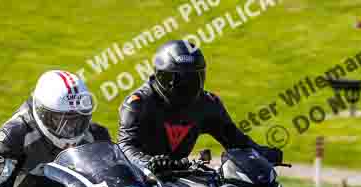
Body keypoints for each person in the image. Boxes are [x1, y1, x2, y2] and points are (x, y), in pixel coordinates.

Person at [118, 40, 282, 172]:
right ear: (160, 75)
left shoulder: (207, 104)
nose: (185, 86)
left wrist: (261, 154)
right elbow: (125, 147)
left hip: (181, 175)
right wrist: (149, 163)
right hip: (142, 179)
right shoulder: (138, 103)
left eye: (192, 79)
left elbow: (236, 141)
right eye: (177, 79)